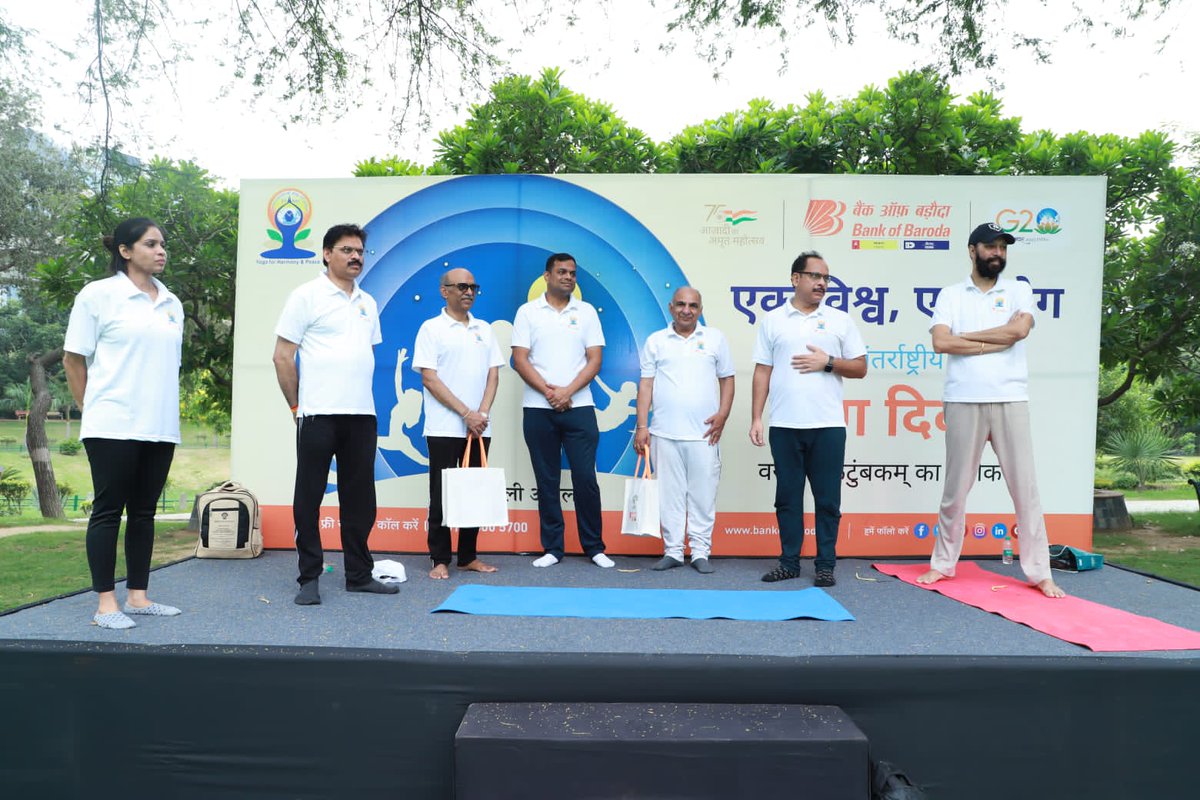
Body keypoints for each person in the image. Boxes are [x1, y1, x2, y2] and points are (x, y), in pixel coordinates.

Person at [917, 223, 1066, 598]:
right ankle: (942, 565)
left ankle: (1039, 572)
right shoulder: (952, 294)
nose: (997, 253)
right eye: (990, 247)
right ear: (972, 250)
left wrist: (964, 336)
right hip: (963, 398)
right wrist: (990, 339)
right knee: (955, 489)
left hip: (1010, 398)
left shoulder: (1019, 289)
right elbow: (939, 342)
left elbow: (1018, 333)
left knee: (1024, 489)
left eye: (1002, 247)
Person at [63, 217, 185, 630]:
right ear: (125, 250)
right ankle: (105, 605)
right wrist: (90, 408)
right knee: (108, 512)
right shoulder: (98, 295)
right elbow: (73, 359)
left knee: (145, 512)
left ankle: (138, 596)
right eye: (151, 243)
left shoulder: (172, 304)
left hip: (160, 424)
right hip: (111, 424)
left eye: (163, 244)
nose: (161, 250)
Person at [272, 223, 399, 605]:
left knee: (360, 499)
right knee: (309, 497)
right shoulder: (306, 296)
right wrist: (297, 407)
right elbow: (282, 355)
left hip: (361, 415)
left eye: (360, 251)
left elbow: (366, 354)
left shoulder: (368, 302)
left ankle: (359, 574)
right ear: (327, 254)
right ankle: (308, 578)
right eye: (347, 250)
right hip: (318, 414)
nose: (356, 256)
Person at [749, 252, 867, 587]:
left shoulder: (840, 320)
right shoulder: (773, 320)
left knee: (827, 499)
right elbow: (762, 370)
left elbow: (860, 367)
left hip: (827, 425)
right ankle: (789, 562)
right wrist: (757, 417)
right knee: (787, 497)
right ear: (795, 278)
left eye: (826, 278)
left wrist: (828, 362)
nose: (821, 283)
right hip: (785, 424)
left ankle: (825, 565)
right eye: (814, 276)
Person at [511, 253, 613, 568]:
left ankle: (594, 547)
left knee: (585, 478)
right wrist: (549, 393)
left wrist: (567, 392)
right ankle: (553, 549)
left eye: (572, 273)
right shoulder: (528, 312)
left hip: (579, 407)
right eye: (562, 272)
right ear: (547, 276)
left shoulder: (586, 313)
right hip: (538, 409)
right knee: (547, 479)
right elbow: (520, 359)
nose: (568, 277)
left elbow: (595, 359)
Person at [634, 287, 735, 574]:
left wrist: (723, 415)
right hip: (664, 432)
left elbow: (727, 379)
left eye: (693, 305)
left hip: (704, 434)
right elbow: (646, 386)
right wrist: (642, 426)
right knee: (670, 495)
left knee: (703, 495)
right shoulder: (656, 341)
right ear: (671, 307)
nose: (686, 310)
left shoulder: (715, 338)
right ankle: (674, 551)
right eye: (681, 304)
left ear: (700, 309)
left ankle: (701, 551)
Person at [412, 267, 502, 579]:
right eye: (462, 286)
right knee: (441, 494)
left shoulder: (485, 329)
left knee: (473, 493)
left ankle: (467, 556)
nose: (468, 292)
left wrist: (482, 415)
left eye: (473, 287)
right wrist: (466, 413)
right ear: (444, 290)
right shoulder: (431, 328)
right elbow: (429, 378)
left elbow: (493, 374)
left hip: (479, 428)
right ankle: (439, 559)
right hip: (444, 428)